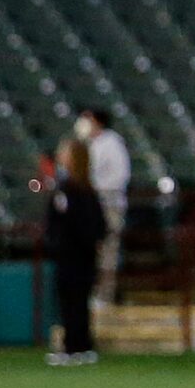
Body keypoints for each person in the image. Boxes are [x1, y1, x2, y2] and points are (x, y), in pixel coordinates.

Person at [42, 139, 106, 366]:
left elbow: (93, 226)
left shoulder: (79, 191)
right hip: (70, 255)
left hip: (77, 256)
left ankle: (78, 346)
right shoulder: (70, 188)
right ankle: (76, 345)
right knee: (70, 302)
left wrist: (70, 243)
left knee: (76, 301)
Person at [74, 107, 131, 310]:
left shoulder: (112, 143)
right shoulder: (87, 145)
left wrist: (95, 191)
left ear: (97, 122)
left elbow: (120, 176)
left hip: (109, 206)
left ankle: (104, 296)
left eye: (87, 118)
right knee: (89, 253)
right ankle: (88, 293)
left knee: (108, 252)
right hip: (89, 207)